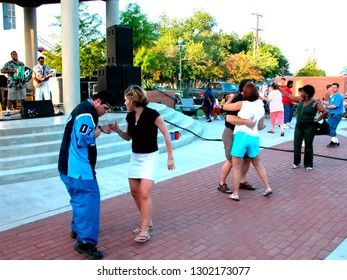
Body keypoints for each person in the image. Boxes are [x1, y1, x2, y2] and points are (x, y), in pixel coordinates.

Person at [58, 90, 117, 260]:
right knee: (89, 201)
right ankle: (86, 243)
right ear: (97, 101)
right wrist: (98, 132)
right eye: (105, 108)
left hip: (68, 167)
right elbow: (83, 138)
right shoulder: (87, 112)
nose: (105, 112)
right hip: (79, 170)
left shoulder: (83, 109)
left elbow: (85, 130)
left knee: (79, 200)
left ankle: (77, 229)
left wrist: (101, 129)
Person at [113, 85, 175, 243]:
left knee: (144, 193)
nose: (124, 102)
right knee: (134, 192)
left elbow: (167, 135)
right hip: (136, 157)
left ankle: (145, 228)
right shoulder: (129, 116)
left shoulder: (153, 114)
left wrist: (170, 157)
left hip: (150, 158)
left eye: (126, 100)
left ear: (133, 100)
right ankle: (148, 221)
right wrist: (117, 131)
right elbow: (128, 137)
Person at [223, 82, 272, 201]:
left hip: (241, 136)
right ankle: (267, 187)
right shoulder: (261, 104)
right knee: (258, 164)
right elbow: (260, 126)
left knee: (236, 167)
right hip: (254, 137)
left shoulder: (242, 104)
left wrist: (230, 99)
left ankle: (235, 193)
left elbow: (225, 108)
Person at [216, 78, 256, 194]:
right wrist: (246, 122)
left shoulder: (250, 101)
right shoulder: (237, 99)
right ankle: (222, 183)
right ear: (244, 88)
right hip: (231, 132)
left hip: (244, 134)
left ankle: (242, 181)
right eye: (251, 86)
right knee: (232, 160)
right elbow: (229, 118)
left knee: (247, 158)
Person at [279, 85, 327, 170]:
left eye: (303, 92)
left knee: (308, 145)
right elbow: (289, 96)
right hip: (299, 126)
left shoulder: (315, 104)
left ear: (307, 94)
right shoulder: (300, 100)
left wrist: (317, 119)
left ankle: (308, 164)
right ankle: (296, 163)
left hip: (309, 127)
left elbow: (325, 112)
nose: (301, 93)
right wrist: (279, 88)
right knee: (297, 144)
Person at [1, 51, 27, 116]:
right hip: (12, 83)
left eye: (16, 54)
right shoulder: (8, 63)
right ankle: (9, 111)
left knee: (23, 97)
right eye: (13, 54)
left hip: (21, 83)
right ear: (11, 56)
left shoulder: (21, 63)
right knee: (10, 97)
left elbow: (25, 72)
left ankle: (24, 109)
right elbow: (2, 70)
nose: (15, 55)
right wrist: (11, 71)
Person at [324, 82, 344, 147]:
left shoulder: (338, 96)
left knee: (329, 128)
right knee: (331, 128)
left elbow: (335, 106)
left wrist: (326, 107)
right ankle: (335, 141)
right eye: (332, 87)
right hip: (332, 114)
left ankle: (334, 142)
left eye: (335, 87)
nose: (333, 88)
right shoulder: (333, 96)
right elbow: (330, 104)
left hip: (336, 115)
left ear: (338, 88)